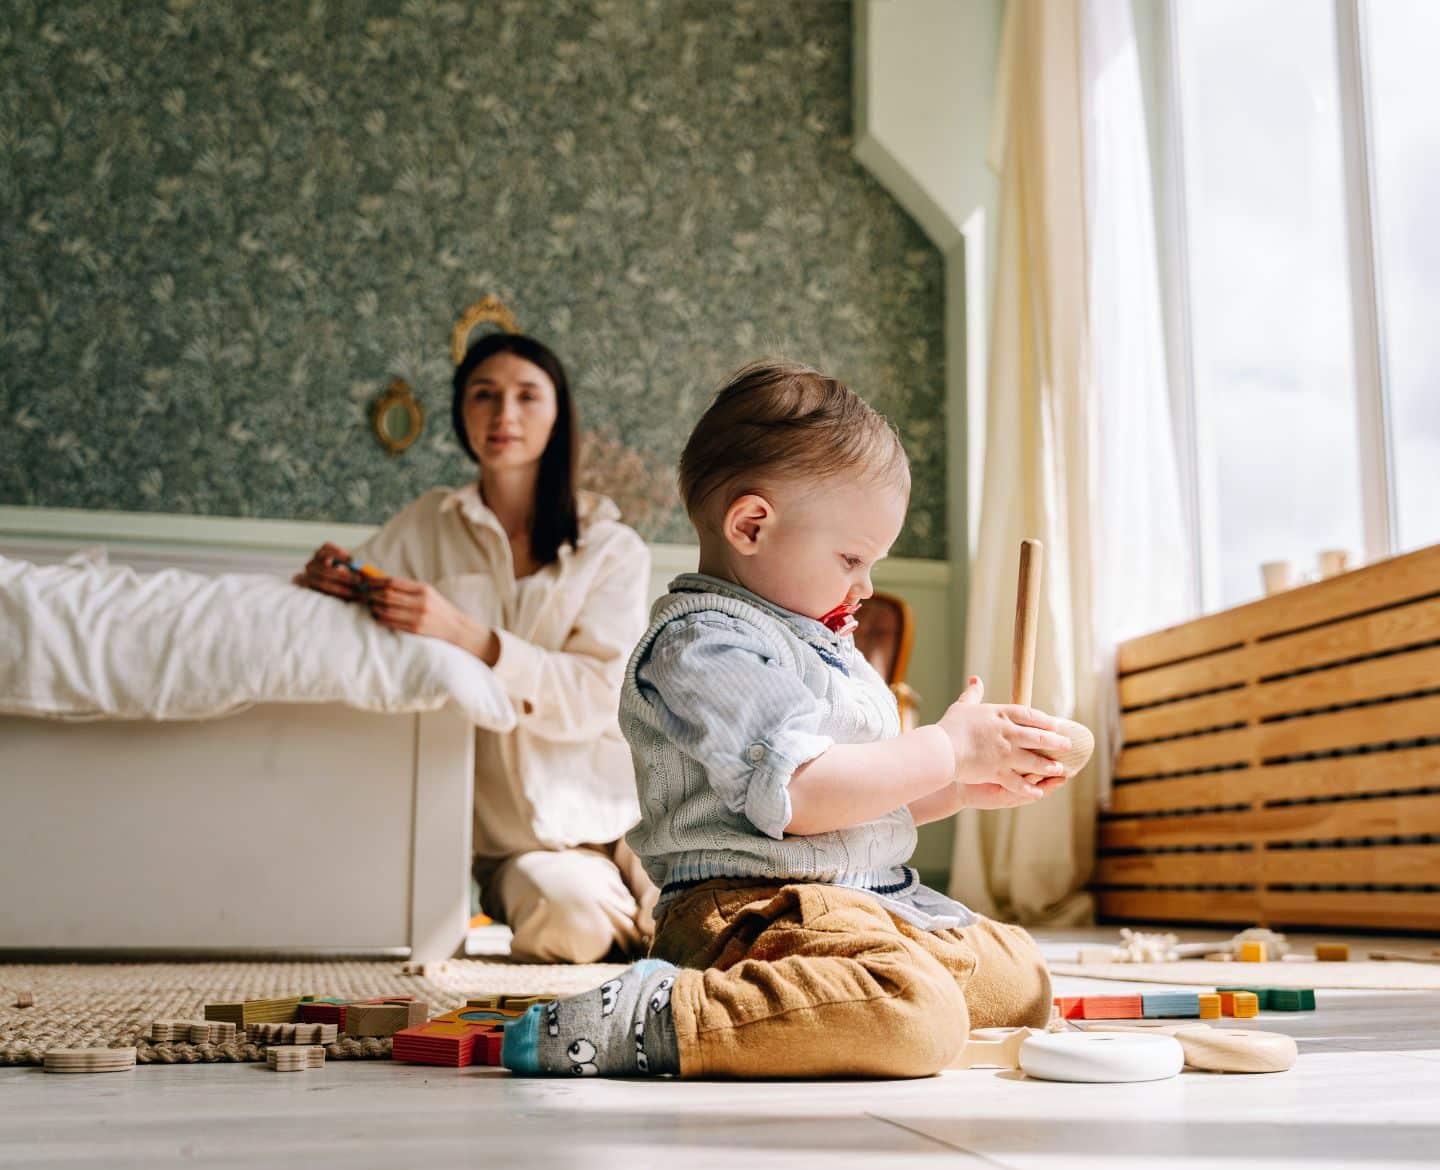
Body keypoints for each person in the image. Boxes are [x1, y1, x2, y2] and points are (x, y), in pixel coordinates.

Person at [501, 358, 1071, 1078]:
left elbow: (854, 802)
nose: (865, 584)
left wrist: (962, 784)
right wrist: (946, 749)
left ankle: (841, 1000)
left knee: (1022, 982)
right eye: (852, 557)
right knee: (914, 1016)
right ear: (752, 525)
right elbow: (803, 796)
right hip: (751, 913)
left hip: (857, 903)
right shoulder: (704, 643)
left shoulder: (819, 640)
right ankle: (665, 1016)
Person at [295, 332, 656, 963]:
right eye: (483, 396)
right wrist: (327, 579)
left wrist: (469, 636)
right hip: (518, 843)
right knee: (569, 928)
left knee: (703, 915)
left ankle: (651, 914)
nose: (503, 415)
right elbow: (361, 590)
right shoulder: (429, 524)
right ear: (462, 413)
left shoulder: (611, 547)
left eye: (526, 396)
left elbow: (601, 696)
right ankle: (634, 923)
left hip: (624, 812)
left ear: (558, 412)